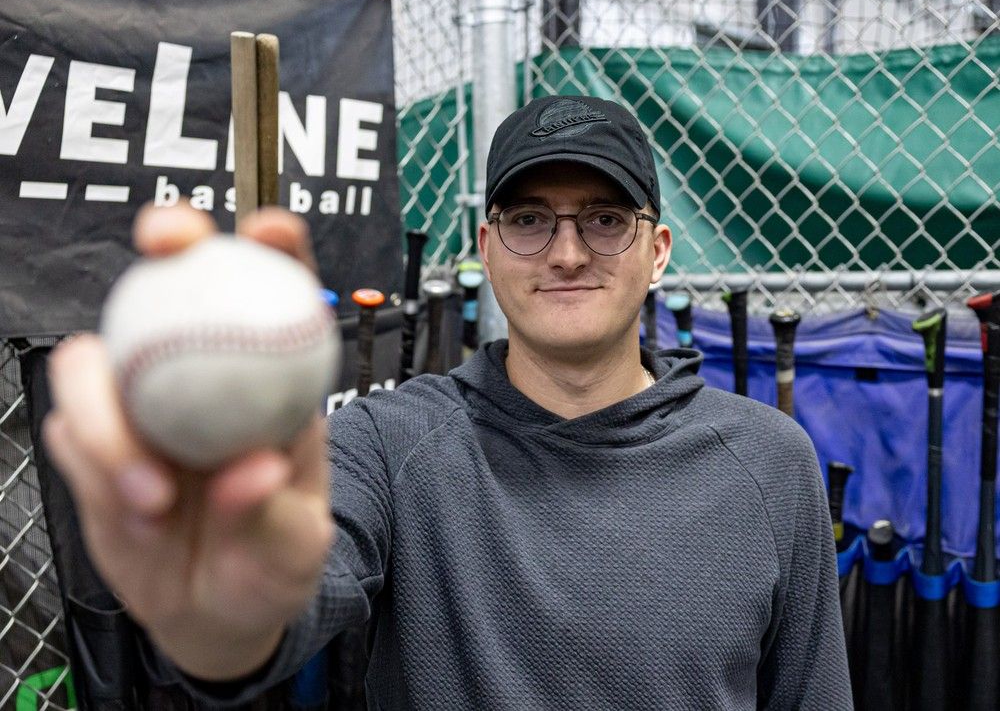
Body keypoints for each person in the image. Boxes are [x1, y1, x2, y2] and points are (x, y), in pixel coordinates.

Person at [44, 95, 852, 709]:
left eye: (605, 219)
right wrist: (219, 618)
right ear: (487, 249)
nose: (568, 253)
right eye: (530, 220)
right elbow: (285, 594)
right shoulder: (391, 441)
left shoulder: (768, 461)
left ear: (658, 249)